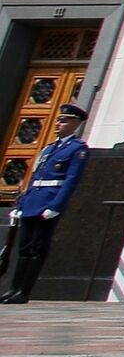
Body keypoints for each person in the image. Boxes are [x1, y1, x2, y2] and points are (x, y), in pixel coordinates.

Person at [0, 102, 88, 304]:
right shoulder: (49, 148)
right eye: (58, 120)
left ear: (76, 124)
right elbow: (34, 176)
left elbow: (71, 181)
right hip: (33, 201)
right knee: (23, 248)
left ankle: (24, 291)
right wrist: (21, 205)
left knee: (36, 248)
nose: (58, 123)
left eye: (64, 121)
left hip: (48, 203)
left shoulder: (77, 149)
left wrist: (56, 206)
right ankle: (13, 288)